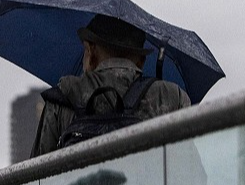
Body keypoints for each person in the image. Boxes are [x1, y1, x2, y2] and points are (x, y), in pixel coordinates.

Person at [33, 14, 191, 156]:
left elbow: (34, 179)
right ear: (141, 61)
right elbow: (194, 175)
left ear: (90, 52)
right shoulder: (173, 97)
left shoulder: (63, 97)